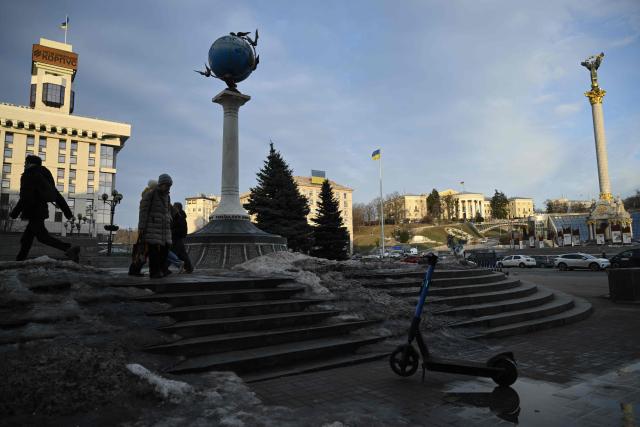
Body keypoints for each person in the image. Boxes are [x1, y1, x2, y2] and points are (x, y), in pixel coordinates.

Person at [10, 155, 80, 262]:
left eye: (25, 162)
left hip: (33, 211)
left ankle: (69, 249)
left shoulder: (29, 174)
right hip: (41, 211)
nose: (24, 165)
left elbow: (25, 196)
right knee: (26, 239)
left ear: (29, 163)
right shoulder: (44, 176)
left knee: (42, 237)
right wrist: (68, 213)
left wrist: (14, 213)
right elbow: (57, 196)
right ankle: (19, 260)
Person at [138, 174, 173, 278]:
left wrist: (169, 219)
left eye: (169, 186)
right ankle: (154, 272)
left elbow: (167, 211)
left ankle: (161, 270)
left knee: (165, 251)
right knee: (153, 252)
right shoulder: (151, 194)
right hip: (152, 227)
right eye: (166, 185)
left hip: (164, 228)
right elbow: (143, 211)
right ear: (161, 184)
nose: (168, 188)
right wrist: (142, 227)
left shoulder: (167, 196)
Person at [128, 179, 157, 276]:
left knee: (144, 251)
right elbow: (144, 213)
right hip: (147, 228)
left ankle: (134, 270)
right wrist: (142, 227)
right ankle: (134, 270)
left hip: (147, 227)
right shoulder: (148, 196)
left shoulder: (147, 195)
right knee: (143, 250)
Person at [170, 202, 193, 273]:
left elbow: (180, 228)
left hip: (176, 237)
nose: (173, 208)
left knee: (171, 253)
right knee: (182, 254)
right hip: (178, 237)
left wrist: (171, 231)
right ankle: (189, 268)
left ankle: (164, 268)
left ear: (177, 208)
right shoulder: (181, 216)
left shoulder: (179, 216)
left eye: (174, 207)